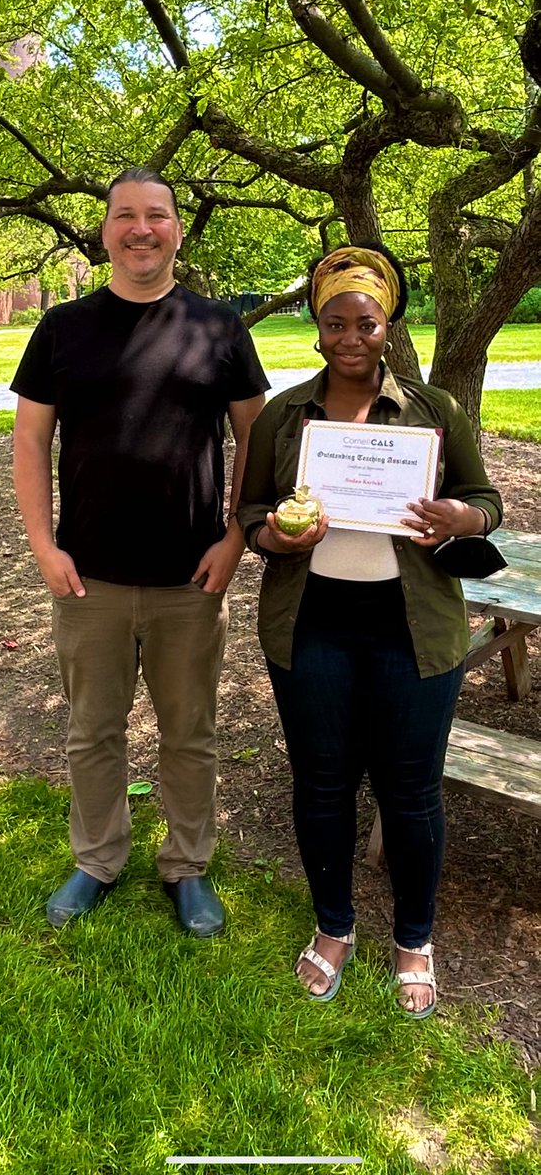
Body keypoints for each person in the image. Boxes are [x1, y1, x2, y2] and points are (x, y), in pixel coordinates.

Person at [237, 242, 502, 1015]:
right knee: (321, 782)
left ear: (388, 326)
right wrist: (274, 538)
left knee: (411, 790)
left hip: (412, 628)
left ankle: (413, 940)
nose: (351, 338)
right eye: (335, 322)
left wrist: (460, 514)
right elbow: (250, 513)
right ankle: (333, 928)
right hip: (312, 625)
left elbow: (485, 499)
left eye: (367, 322)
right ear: (316, 328)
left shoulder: (434, 410)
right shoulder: (287, 414)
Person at [11, 167, 269, 935]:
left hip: (191, 577)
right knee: (93, 729)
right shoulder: (62, 327)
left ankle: (187, 867)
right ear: (106, 232)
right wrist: (41, 544)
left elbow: (256, 436)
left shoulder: (219, 327)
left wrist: (235, 535)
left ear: (177, 230)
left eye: (156, 215)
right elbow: (29, 440)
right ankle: (97, 860)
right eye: (125, 216)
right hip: (87, 577)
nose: (141, 229)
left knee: (189, 730)